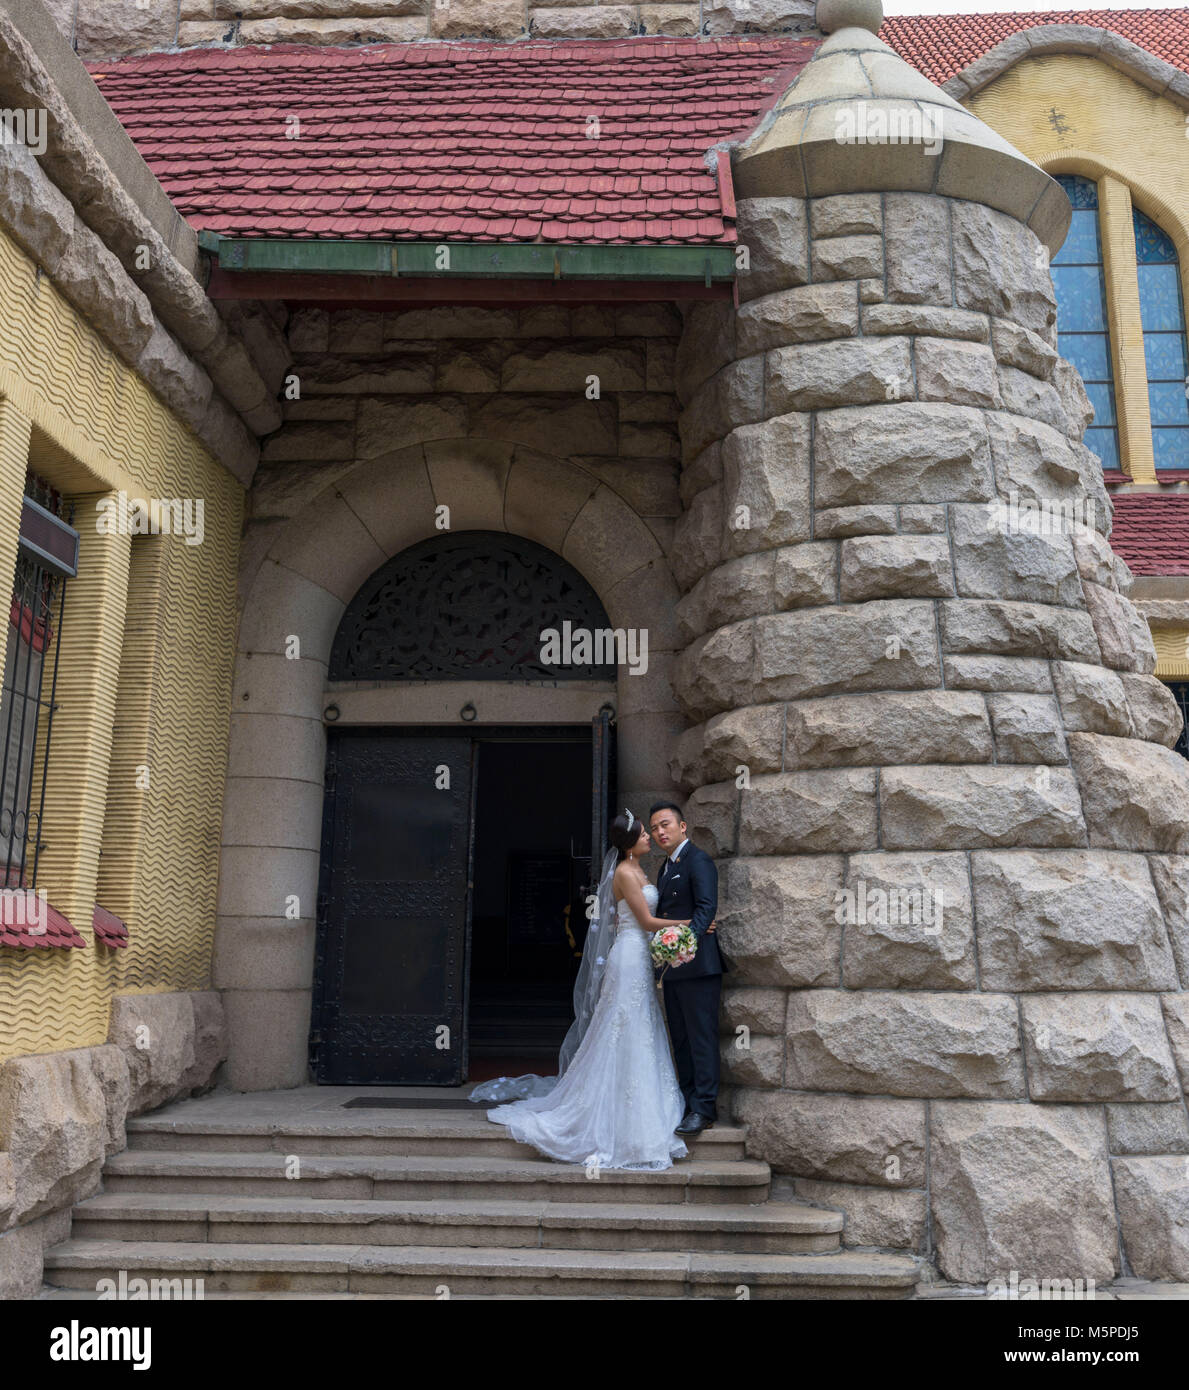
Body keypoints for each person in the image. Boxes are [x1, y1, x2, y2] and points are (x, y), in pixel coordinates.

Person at [468, 810, 690, 1170]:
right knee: (623, 1026)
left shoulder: (640, 869)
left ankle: (637, 1105)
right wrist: (689, 924)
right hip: (629, 956)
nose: (651, 836)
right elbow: (646, 922)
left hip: (638, 955)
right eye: (644, 833)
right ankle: (612, 1117)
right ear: (630, 843)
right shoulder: (623, 872)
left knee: (638, 1027)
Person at [649, 801, 725, 1136]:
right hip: (673, 970)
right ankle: (686, 1100)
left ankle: (704, 1108)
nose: (659, 832)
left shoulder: (699, 860)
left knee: (701, 1038)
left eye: (665, 824)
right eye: (653, 828)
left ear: (683, 827)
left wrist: (683, 943)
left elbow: (707, 909)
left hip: (698, 966)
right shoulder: (664, 868)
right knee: (680, 1038)